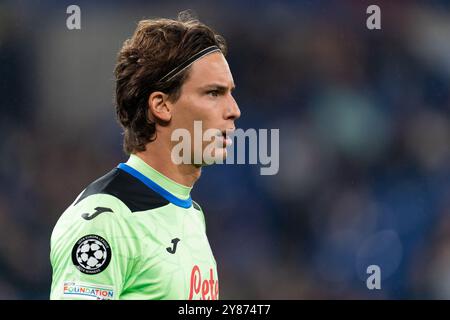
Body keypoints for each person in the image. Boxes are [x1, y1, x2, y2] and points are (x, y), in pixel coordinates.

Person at [50, 13, 241, 300]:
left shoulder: (191, 213)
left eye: (230, 93)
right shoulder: (106, 220)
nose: (234, 109)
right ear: (162, 105)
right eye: (214, 93)